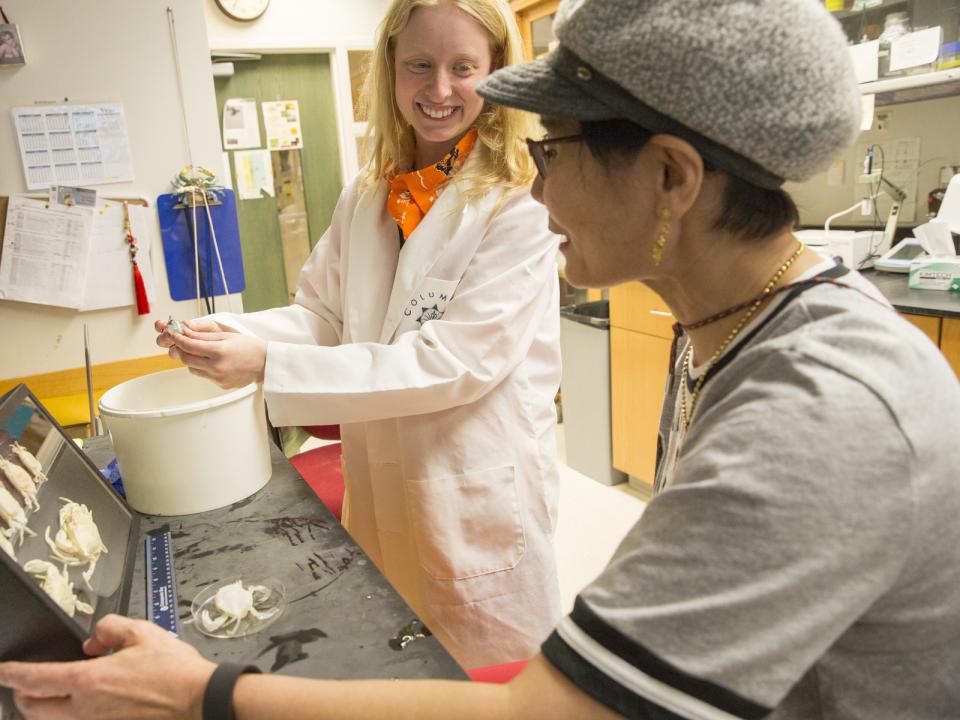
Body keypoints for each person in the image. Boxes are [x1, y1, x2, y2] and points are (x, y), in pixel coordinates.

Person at [3, 0, 959, 718]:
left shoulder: (823, 411)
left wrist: (205, 691)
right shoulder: (735, 332)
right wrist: (246, 345)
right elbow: (330, 318)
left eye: (561, 149)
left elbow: (550, 710)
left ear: (670, 179)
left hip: (478, 499)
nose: (540, 190)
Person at [153, 0, 563, 669]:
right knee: (393, 672)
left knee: (481, 689)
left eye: (464, 67)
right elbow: (323, 315)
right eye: (420, 66)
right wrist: (230, 330)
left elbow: (454, 362)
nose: (438, 90)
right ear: (391, 69)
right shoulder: (372, 193)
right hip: (381, 485)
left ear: (497, 72)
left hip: (473, 494)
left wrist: (266, 365)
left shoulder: (519, 202)